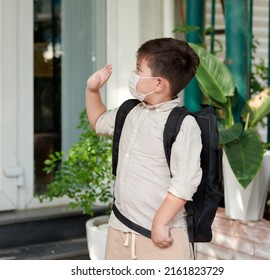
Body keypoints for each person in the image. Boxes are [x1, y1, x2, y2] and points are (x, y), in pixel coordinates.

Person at [85, 37, 202, 260]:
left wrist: (160, 222)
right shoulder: (130, 111)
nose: (133, 74)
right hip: (120, 229)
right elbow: (99, 122)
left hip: (161, 237)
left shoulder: (183, 125)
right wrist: (92, 90)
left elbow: (184, 182)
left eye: (139, 69)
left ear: (158, 83)